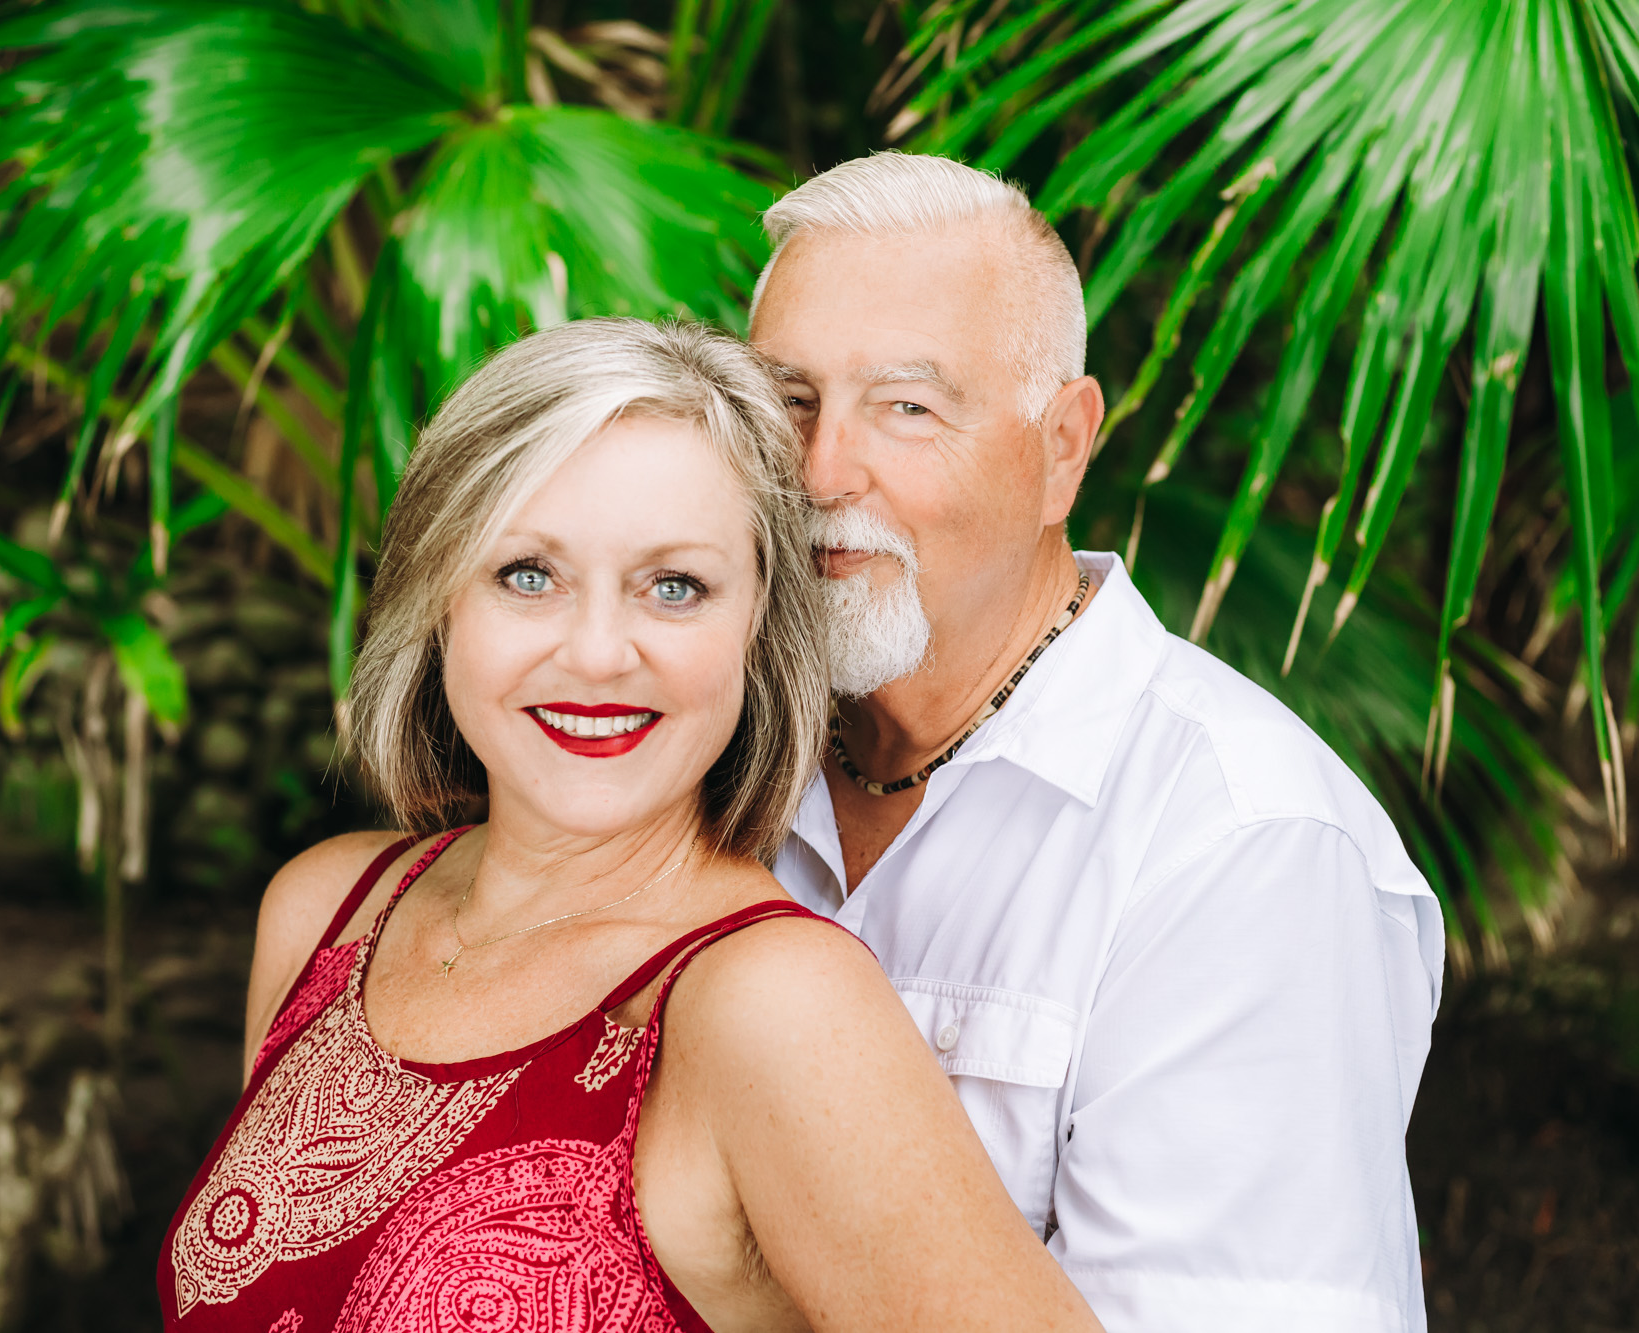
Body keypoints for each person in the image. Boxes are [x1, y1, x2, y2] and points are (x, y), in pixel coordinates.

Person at [158, 318, 1102, 1332]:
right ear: (440, 603)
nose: (599, 652)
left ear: (756, 629)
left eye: (674, 586)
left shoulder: (772, 1004)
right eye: (528, 574)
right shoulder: (327, 911)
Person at [749, 151, 1446, 1332]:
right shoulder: (712, 754)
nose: (822, 473)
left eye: (907, 408)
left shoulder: (1237, 842)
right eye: (788, 401)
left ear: (1061, 447)